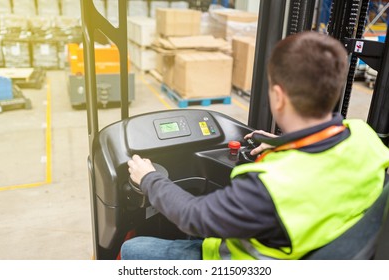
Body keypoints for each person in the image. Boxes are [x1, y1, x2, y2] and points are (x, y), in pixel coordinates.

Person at [121, 31, 389, 260]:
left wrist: (149, 178)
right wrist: (285, 145)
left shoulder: (268, 189)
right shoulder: (366, 137)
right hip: (313, 245)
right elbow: (328, 158)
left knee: (133, 249)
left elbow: (195, 216)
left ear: (278, 97)